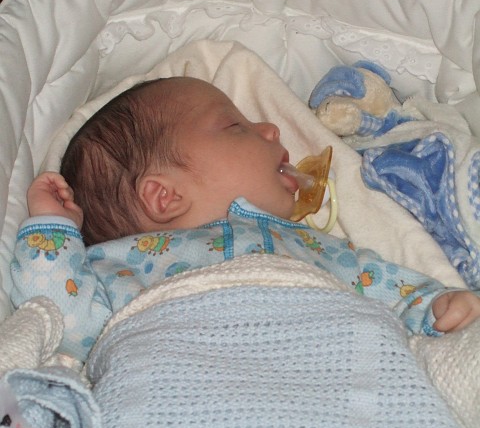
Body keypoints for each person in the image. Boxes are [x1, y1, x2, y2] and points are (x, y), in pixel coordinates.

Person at [10, 77, 480, 361]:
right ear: (164, 196)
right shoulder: (120, 268)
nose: (271, 129)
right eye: (236, 126)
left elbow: (384, 285)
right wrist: (53, 229)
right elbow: (60, 319)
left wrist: (433, 304)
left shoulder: (317, 248)